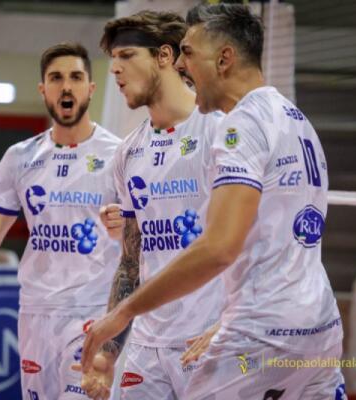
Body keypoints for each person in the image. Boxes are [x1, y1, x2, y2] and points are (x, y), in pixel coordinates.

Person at [80, 4, 346, 400]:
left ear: (224, 59)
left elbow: (220, 248)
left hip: (254, 332)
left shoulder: (234, 126)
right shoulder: (294, 118)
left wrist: (124, 312)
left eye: (188, 53)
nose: (182, 65)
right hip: (315, 324)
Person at [0, 42, 122, 400]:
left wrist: (123, 227)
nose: (66, 87)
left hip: (92, 311)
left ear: (90, 88)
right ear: (42, 89)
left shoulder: (118, 154)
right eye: (56, 78)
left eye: (75, 77)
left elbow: (138, 240)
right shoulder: (19, 157)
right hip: (35, 313)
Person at [73, 11, 225, 400]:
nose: (115, 69)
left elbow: (256, 243)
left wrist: (232, 324)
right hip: (147, 346)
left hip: (210, 341)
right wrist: (108, 354)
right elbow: (130, 263)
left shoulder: (220, 131)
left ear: (164, 56)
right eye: (113, 59)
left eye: (126, 56)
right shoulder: (129, 152)